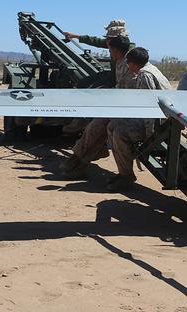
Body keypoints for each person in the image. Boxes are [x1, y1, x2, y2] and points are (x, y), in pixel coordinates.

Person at [60, 35, 135, 177]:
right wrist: (75, 36)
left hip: (134, 112)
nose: (109, 51)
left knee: (104, 127)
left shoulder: (130, 64)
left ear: (117, 49)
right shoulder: (120, 58)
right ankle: (78, 158)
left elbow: (129, 94)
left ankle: (81, 161)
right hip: (123, 106)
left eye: (110, 49)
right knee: (95, 126)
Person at [106, 47, 171, 191]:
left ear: (134, 64)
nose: (128, 67)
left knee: (119, 133)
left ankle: (127, 176)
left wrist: (150, 137)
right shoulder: (152, 69)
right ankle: (123, 172)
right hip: (164, 120)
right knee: (111, 126)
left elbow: (150, 108)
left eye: (128, 63)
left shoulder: (144, 75)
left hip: (159, 124)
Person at [63, 19, 133, 87]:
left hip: (119, 79)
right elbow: (95, 41)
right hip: (113, 75)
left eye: (109, 38)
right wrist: (75, 36)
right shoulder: (112, 43)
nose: (107, 41)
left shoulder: (130, 54)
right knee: (83, 83)